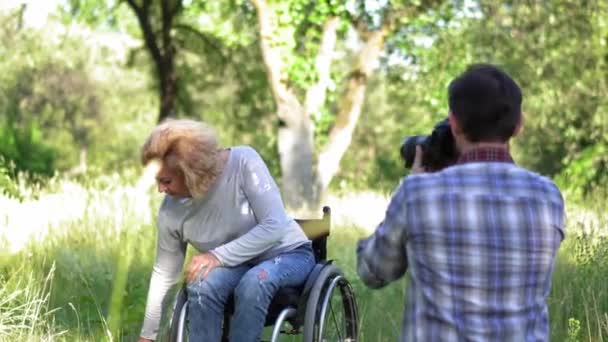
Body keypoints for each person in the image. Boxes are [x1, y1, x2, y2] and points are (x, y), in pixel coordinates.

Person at [357, 64, 565, 341]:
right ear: (518, 125)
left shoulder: (418, 194)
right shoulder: (547, 197)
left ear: (454, 122)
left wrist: (412, 186)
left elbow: (373, 272)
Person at [137, 119, 315, 342]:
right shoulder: (170, 212)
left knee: (254, 281)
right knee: (201, 283)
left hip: (287, 254)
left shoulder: (243, 162)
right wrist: (148, 335)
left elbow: (275, 225)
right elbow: (164, 273)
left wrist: (216, 256)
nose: (160, 190)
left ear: (190, 171)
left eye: (166, 181)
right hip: (236, 266)